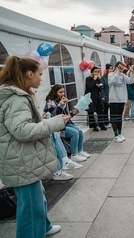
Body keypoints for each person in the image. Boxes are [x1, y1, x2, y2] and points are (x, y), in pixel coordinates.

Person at [0, 56, 71, 237]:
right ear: (29, 74)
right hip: (21, 160)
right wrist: (54, 123)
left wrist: (43, 120)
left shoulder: (14, 94)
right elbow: (22, 130)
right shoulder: (16, 98)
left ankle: (44, 227)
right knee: (31, 207)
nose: (41, 78)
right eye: (40, 74)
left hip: (21, 158)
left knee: (36, 198)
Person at [44, 84, 89, 162]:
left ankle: (80, 151)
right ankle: (74, 154)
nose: (63, 94)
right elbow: (55, 115)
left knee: (80, 131)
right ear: (55, 92)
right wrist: (62, 104)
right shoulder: (50, 101)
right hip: (57, 129)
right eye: (60, 92)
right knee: (75, 133)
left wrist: (73, 113)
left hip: (65, 124)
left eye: (63, 92)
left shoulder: (61, 100)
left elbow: (65, 116)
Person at [108, 61, 134, 143]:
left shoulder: (123, 75)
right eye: (120, 66)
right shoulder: (111, 74)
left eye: (122, 67)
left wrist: (131, 72)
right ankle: (115, 135)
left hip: (121, 99)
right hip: (114, 99)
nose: (121, 68)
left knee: (119, 117)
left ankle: (119, 133)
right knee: (114, 117)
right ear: (116, 66)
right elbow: (112, 82)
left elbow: (130, 81)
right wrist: (117, 72)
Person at [85, 66, 107, 131]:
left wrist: (99, 86)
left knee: (100, 111)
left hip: (97, 97)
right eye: (95, 71)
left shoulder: (98, 79)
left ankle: (102, 125)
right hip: (90, 97)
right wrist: (94, 80)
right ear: (92, 72)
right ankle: (94, 126)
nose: (96, 73)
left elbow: (100, 88)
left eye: (98, 71)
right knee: (91, 112)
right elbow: (90, 86)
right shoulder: (88, 79)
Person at [100, 63, 113, 128]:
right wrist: (103, 96)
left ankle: (112, 121)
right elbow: (101, 88)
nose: (110, 70)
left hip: (112, 95)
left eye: (111, 69)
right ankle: (106, 122)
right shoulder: (103, 78)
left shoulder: (113, 76)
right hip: (106, 95)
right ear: (107, 69)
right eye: (109, 69)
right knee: (105, 110)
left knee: (112, 110)